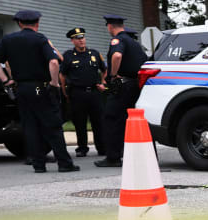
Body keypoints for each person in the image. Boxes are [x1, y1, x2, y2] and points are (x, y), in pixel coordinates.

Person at [0, 10, 79, 173]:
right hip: (41, 87)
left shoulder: (8, 39)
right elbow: (54, 62)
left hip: (21, 88)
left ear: (19, 23)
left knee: (30, 126)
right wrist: (54, 83)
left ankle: (38, 164)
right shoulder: (40, 39)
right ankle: (64, 163)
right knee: (52, 126)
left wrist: (6, 80)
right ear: (37, 23)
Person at [96, 14, 146, 168]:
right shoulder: (135, 43)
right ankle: (129, 153)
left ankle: (113, 157)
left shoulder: (118, 40)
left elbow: (117, 55)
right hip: (134, 86)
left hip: (122, 85)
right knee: (127, 119)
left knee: (111, 118)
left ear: (110, 26)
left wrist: (112, 76)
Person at [60, 27, 107, 157]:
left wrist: (103, 83)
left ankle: (102, 148)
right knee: (79, 122)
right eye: (78, 39)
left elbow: (105, 70)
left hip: (94, 92)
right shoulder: (68, 55)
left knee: (98, 121)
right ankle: (82, 148)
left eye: (82, 37)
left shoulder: (94, 54)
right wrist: (64, 91)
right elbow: (62, 75)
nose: (81, 41)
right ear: (72, 41)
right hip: (77, 93)